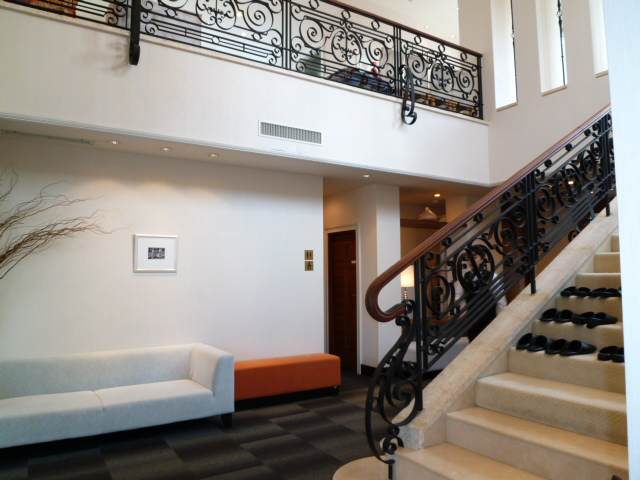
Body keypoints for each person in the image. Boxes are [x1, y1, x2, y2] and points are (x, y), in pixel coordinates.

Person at [455, 246, 507, 341]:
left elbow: (500, 300)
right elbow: (458, 297)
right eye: (469, 258)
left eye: (475, 257)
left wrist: (501, 320)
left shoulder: (492, 276)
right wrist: (457, 305)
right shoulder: (464, 277)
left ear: (482, 259)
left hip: (489, 317)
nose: (471, 261)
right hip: (472, 318)